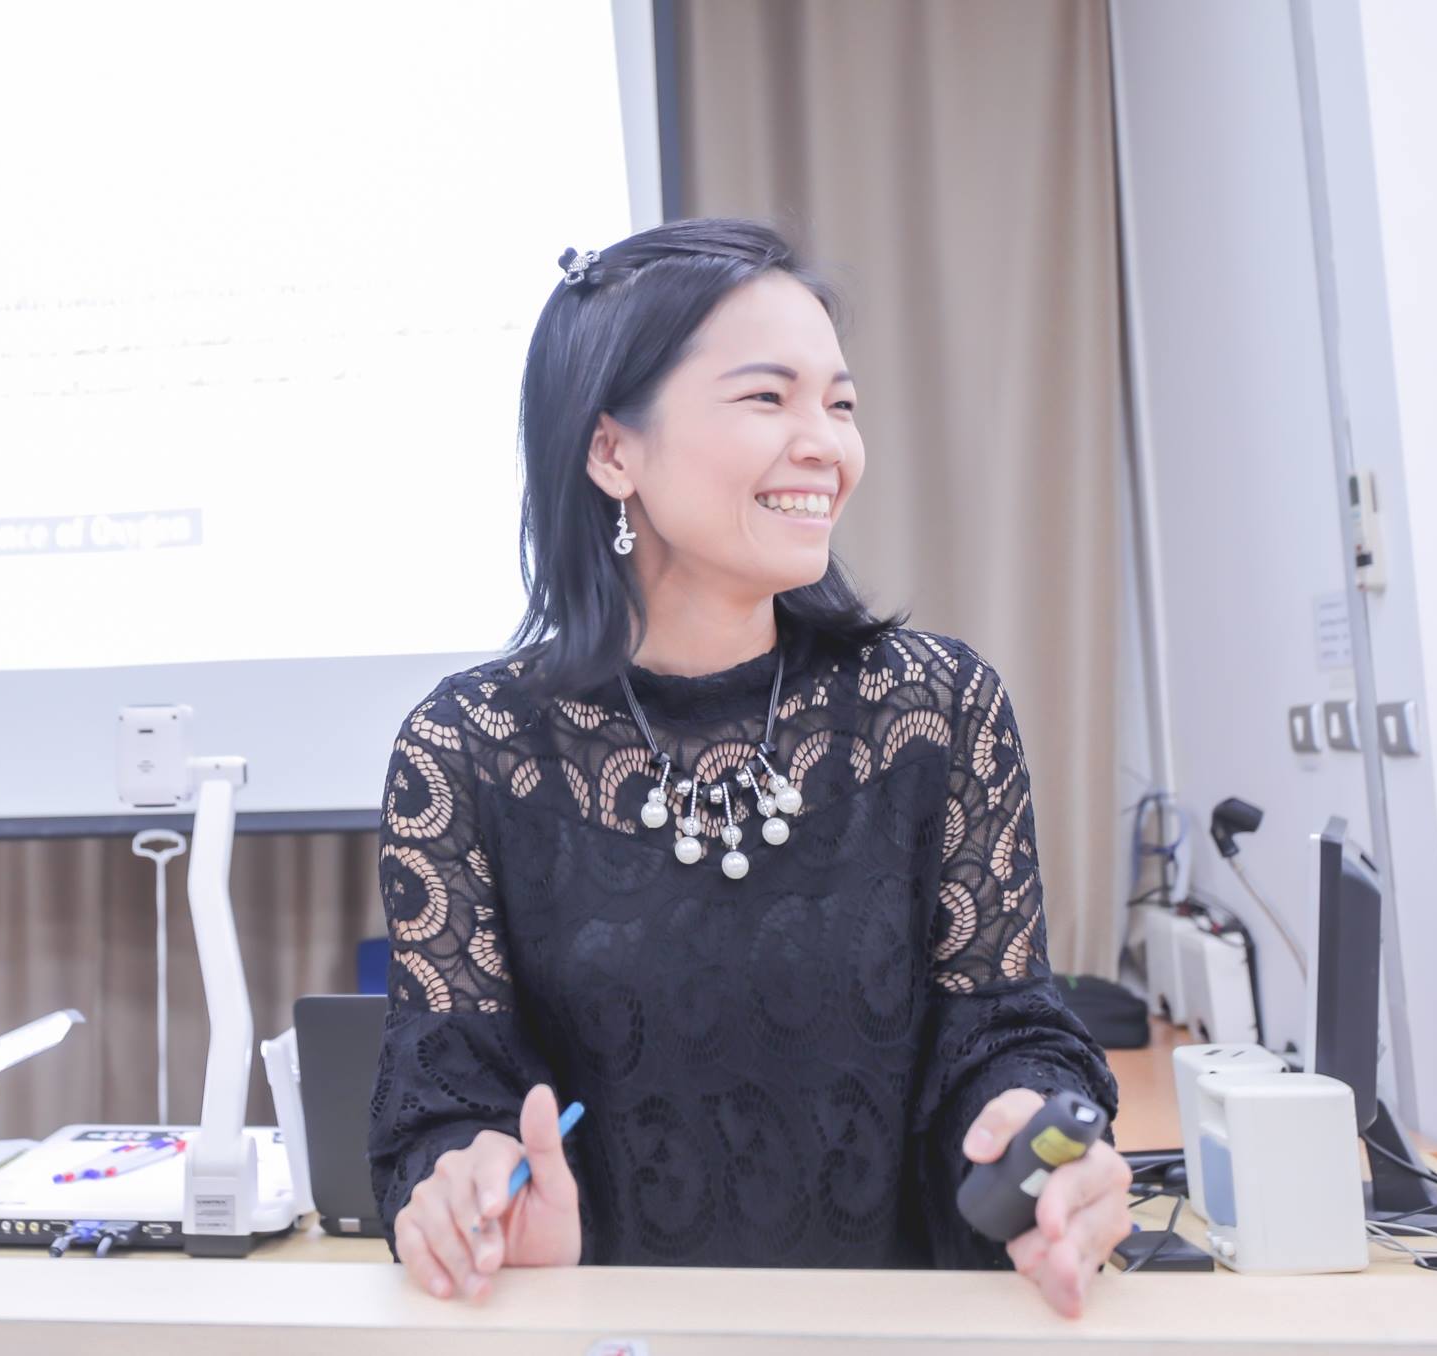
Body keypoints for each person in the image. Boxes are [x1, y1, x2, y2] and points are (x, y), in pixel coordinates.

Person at [368, 218, 1127, 1318]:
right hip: (605, 1336)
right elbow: (446, 1093)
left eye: (842, 405)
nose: (826, 445)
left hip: (896, 1337)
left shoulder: (935, 709)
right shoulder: (469, 747)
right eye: (769, 398)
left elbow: (1001, 1029)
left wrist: (1031, 1124)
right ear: (612, 451)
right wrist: (470, 1191)